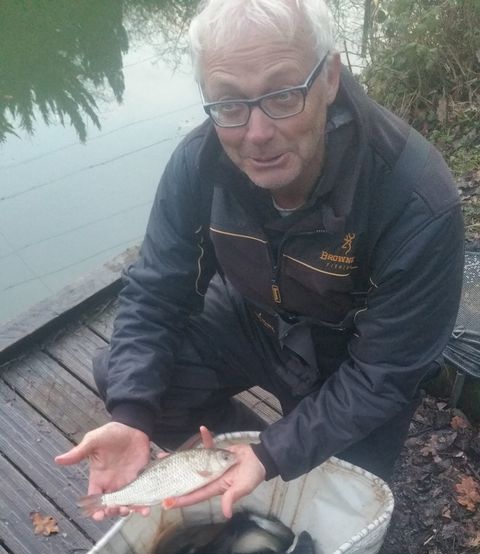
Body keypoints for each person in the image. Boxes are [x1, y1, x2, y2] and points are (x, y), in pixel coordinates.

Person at [56, 0, 464, 521]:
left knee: (339, 505)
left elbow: (385, 374)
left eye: (283, 94)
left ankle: (269, 464)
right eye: (229, 103)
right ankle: (230, 460)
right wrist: (132, 415)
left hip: (350, 356)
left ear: (330, 78)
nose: (256, 133)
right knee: (127, 376)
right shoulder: (196, 162)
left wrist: (275, 452)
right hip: (251, 318)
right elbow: (155, 292)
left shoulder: (416, 200)